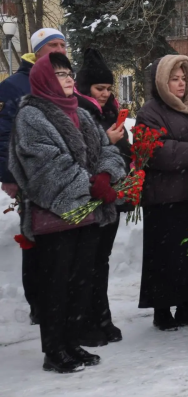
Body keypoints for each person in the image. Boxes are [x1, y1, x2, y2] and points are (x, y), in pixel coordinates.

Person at [9, 52, 126, 373]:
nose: (69, 79)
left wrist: (105, 175)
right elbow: (47, 167)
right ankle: (54, 351)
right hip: (55, 216)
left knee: (80, 282)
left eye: (69, 73)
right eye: (61, 74)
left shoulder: (81, 112)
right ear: (44, 79)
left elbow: (106, 149)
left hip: (87, 214)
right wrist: (93, 184)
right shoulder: (31, 116)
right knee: (56, 285)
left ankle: (72, 343)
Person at [136, 55, 188, 330]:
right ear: (162, 82)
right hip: (164, 197)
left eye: (184, 79)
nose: (181, 84)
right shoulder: (150, 112)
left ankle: (186, 306)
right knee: (164, 256)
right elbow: (156, 151)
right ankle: (161, 310)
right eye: (174, 79)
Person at [0, 28, 68, 325]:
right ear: (37, 50)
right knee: (36, 239)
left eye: (63, 44)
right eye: (52, 45)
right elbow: (3, 135)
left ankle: (63, 300)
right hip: (31, 178)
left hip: (65, 177)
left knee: (62, 243)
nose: (60, 49)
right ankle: (39, 303)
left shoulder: (65, 81)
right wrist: (8, 175)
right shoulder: (13, 86)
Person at [74, 49, 131, 345]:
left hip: (112, 198)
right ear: (85, 89)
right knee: (87, 263)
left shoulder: (111, 112)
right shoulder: (78, 114)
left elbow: (124, 151)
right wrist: (107, 141)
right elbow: (81, 155)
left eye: (109, 88)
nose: (107, 93)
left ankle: (102, 316)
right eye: (100, 88)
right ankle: (85, 320)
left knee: (102, 261)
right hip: (89, 198)